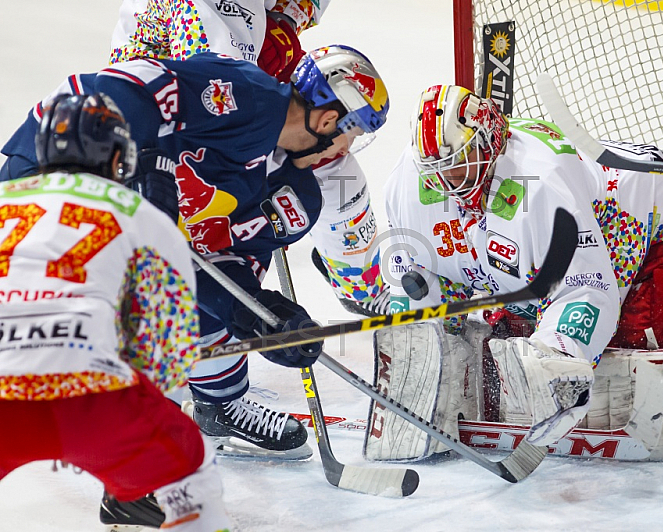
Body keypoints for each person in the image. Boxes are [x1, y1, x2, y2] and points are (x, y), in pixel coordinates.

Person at [0, 45, 388, 461]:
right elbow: (113, 86)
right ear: (329, 120)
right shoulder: (246, 95)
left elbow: (216, 264)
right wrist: (146, 160)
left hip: (119, 238)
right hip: (54, 169)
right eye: (353, 134)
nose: (345, 150)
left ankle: (219, 405)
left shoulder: (297, 197)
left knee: (193, 306)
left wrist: (257, 314)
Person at [363, 84, 663, 461]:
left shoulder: (541, 181)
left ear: (490, 143)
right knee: (501, 346)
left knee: (626, 363)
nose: (450, 178)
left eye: (461, 160)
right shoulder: (409, 184)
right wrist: (417, 344)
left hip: (659, 229)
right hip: (556, 238)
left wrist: (560, 358)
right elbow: (415, 275)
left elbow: (587, 288)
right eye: (439, 169)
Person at [0, 93, 233, 531]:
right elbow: (168, 355)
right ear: (116, 157)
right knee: (190, 470)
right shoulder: (140, 213)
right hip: (90, 402)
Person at [110, 0, 388, 316]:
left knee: (334, 159)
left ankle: (358, 284)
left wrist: (285, 23)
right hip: (163, 101)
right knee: (292, 158)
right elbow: (210, 76)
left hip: (234, 65)